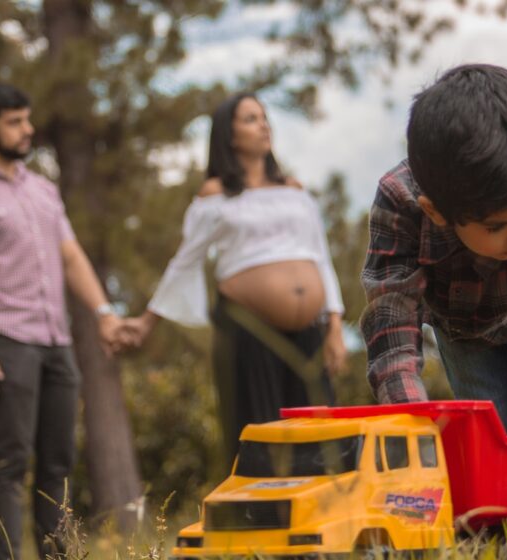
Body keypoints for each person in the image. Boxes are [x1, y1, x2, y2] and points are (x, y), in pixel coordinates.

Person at [122, 93, 347, 466]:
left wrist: (334, 324)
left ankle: (318, 517)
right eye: (250, 119)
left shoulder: (293, 190)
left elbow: (319, 254)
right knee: (260, 428)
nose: (263, 125)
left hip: (308, 327)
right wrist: (147, 323)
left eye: (264, 117)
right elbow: (185, 260)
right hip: (249, 325)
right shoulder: (216, 194)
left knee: (316, 429)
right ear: (229, 136)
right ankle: (262, 519)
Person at [360, 63, 507, 437]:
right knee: (492, 433)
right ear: (437, 212)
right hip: (461, 328)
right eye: (496, 227)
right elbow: (393, 316)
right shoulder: (401, 204)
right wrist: (410, 419)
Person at [0, 82, 123, 560]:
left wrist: (104, 313)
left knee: (58, 462)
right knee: (11, 463)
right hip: (7, 339)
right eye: (15, 121)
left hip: (57, 342)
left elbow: (70, 254)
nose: (28, 129)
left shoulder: (42, 190)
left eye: (27, 119)